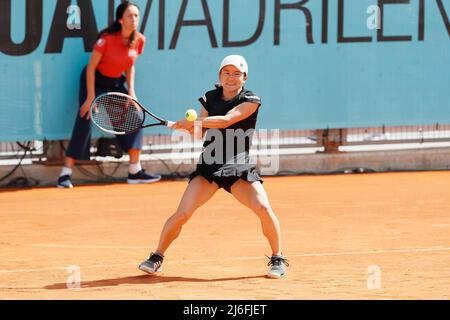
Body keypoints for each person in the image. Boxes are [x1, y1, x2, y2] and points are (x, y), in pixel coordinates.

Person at [138, 55, 288, 278]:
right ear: (219, 76)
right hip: (209, 166)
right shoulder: (209, 98)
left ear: (244, 78)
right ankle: (157, 256)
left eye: (236, 73)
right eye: (226, 73)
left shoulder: (251, 99)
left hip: (238, 167)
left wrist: (196, 122)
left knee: (264, 209)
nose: (231, 77)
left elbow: (227, 120)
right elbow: (200, 134)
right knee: (183, 213)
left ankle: (277, 258)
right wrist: (190, 128)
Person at [57, 1, 161, 188]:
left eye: (136, 15)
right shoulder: (106, 39)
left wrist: (131, 92)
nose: (134, 19)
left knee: (136, 117)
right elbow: (91, 68)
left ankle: (134, 171)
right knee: (85, 117)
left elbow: (130, 65)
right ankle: (65, 174)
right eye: (130, 16)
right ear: (121, 20)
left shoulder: (139, 40)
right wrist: (90, 98)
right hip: (94, 80)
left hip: (115, 82)